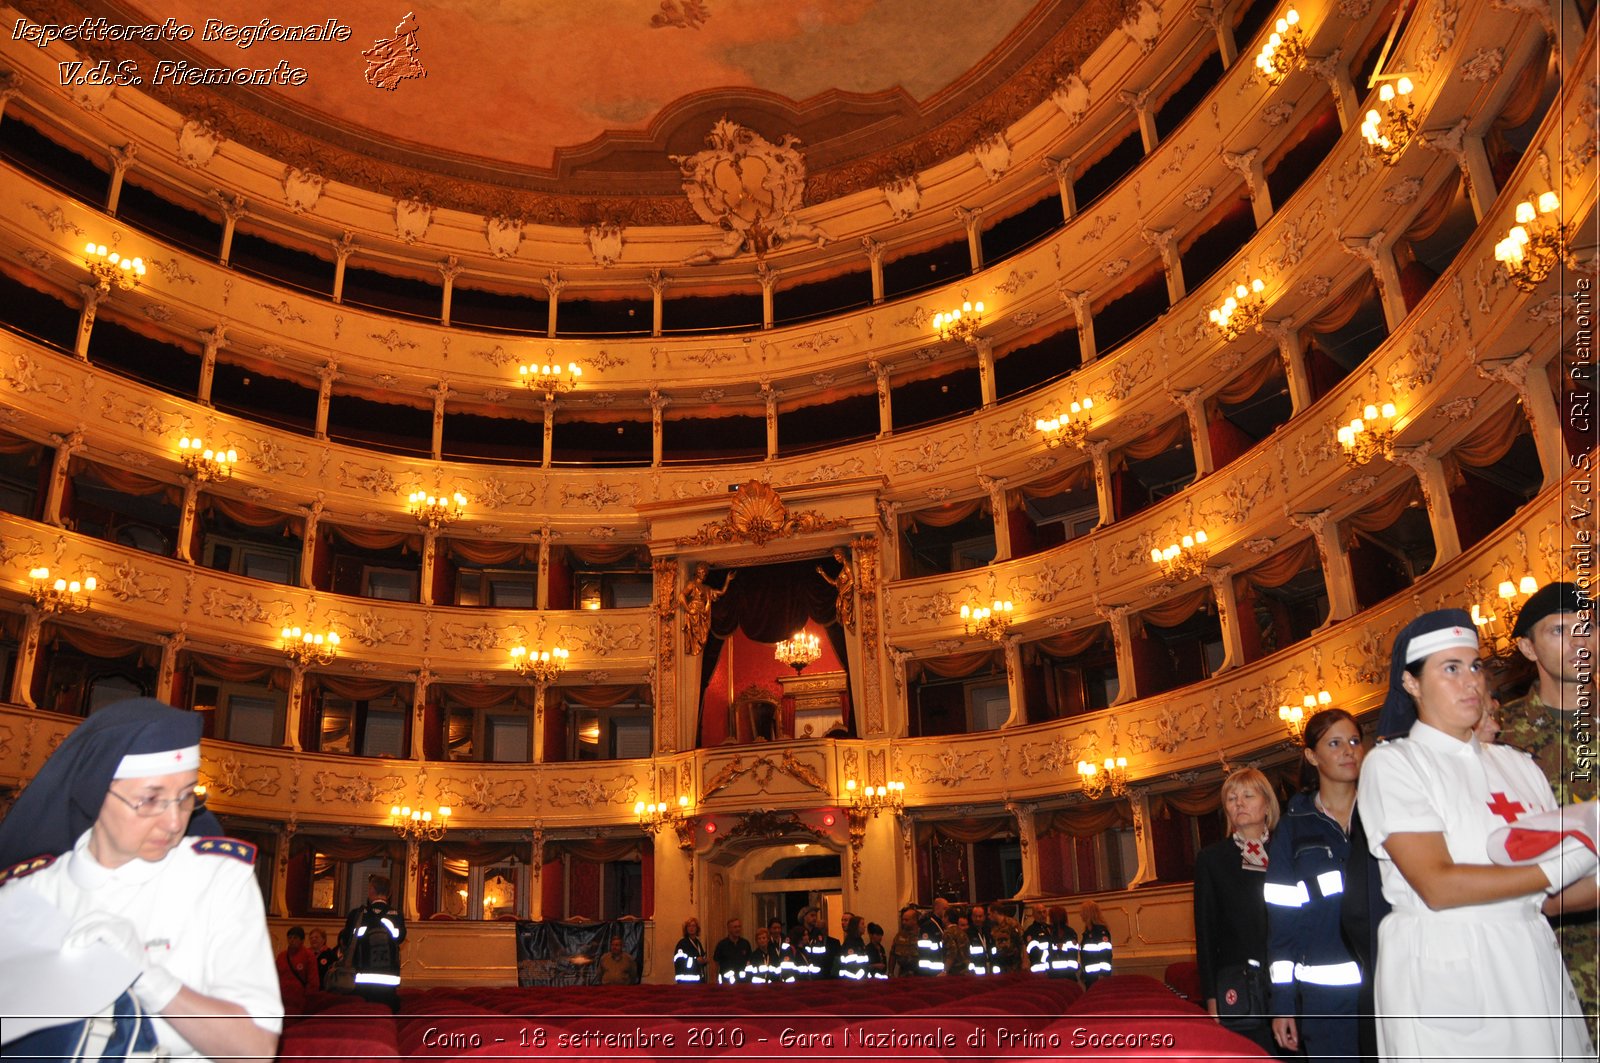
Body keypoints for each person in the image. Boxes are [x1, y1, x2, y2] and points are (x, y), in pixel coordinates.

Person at [1359, 609, 1595, 1062]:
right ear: (1411, 683)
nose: (1471, 682)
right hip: (1448, 964)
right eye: (1450, 669)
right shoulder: (1394, 765)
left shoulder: (1517, 765)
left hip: (1529, 954)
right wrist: (1557, 866)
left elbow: (1546, 898)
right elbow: (1439, 885)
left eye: (1475, 666)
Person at [0, 698, 281, 1059]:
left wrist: (150, 978)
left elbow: (255, 1050)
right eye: (150, 800)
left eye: (185, 798)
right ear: (95, 793)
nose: (175, 822)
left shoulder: (218, 880)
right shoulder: (26, 895)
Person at [1498, 581, 1600, 1033]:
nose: (1580, 643)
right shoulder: (1500, 737)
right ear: (1526, 647)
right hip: (1553, 959)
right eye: (1560, 631)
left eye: (1588, 628)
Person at [1264, 708, 1367, 1062]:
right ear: (1312, 756)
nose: (1348, 751)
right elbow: (1282, 924)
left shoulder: (1384, 810)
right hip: (1326, 1001)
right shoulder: (1293, 829)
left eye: (1354, 741)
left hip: (1391, 985)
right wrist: (1283, 1003)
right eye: (1335, 743)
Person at [1193, 767, 1279, 1054]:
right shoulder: (1212, 859)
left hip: (1291, 982)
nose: (1239, 803)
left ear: (1267, 804)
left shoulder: (1287, 849)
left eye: (1247, 795)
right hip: (1241, 987)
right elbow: (1206, 935)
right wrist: (1211, 998)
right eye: (1231, 798)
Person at [342, 874, 405, 1011]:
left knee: (364, 1017)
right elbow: (400, 939)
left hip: (362, 977)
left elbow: (346, 940)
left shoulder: (357, 914)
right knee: (386, 1015)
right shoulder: (397, 915)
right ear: (389, 893)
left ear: (371, 891)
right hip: (389, 979)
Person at [680, 562, 733, 656]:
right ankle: (693, 646)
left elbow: (721, 592)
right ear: (698, 572)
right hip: (694, 613)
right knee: (694, 635)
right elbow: (681, 596)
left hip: (703, 614)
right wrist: (688, 609)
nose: (704, 574)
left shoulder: (706, 588)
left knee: (703, 638)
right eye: (702, 571)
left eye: (705, 573)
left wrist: (727, 581)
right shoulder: (692, 584)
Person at [816, 547, 855, 629]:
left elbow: (852, 581)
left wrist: (842, 592)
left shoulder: (848, 566)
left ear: (842, 555)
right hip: (844, 597)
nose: (836, 559)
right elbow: (834, 583)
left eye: (837, 556)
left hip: (847, 596)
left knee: (846, 617)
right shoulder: (843, 569)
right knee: (844, 617)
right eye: (835, 557)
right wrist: (822, 573)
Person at [1077, 899, 1113, 986]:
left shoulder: (1100, 932)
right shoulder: (1087, 932)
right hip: (1089, 976)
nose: (1080, 914)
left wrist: (1103, 974)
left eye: (1082, 912)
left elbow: (1105, 954)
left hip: (1098, 976)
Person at [276, 925, 320, 993]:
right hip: (283, 997)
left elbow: (313, 981)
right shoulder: (281, 956)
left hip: (301, 998)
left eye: (295, 938)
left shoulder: (309, 956)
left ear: (302, 940)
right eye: (289, 938)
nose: (292, 940)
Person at [712, 916, 752, 984]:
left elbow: (749, 962)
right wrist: (715, 980)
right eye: (735, 927)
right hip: (726, 983)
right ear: (729, 929)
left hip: (743, 983)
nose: (738, 929)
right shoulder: (722, 945)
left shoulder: (745, 943)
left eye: (739, 926)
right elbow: (716, 963)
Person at [916, 897, 950, 974]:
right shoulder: (928, 926)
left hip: (941, 968)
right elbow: (924, 950)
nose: (946, 912)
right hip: (930, 970)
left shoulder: (943, 924)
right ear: (936, 908)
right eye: (945, 909)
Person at [1046, 904, 1080, 980]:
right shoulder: (1050, 933)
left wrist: (1062, 947)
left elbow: (1074, 952)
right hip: (1054, 974)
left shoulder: (1070, 932)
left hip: (1068, 973)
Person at [672, 916, 708, 983]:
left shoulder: (698, 943)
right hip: (685, 980)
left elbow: (702, 957)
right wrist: (695, 960)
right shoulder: (682, 943)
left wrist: (704, 961)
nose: (691, 928)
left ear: (697, 928)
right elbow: (679, 960)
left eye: (693, 926)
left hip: (698, 980)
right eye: (689, 926)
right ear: (686, 929)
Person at [965, 903, 997, 976]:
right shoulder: (968, 934)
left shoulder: (989, 931)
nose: (978, 919)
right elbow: (966, 955)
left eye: (980, 916)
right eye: (975, 916)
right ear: (972, 917)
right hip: (976, 973)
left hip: (991, 970)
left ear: (984, 917)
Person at [891, 905, 921, 976]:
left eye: (906, 920)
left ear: (914, 920)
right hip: (903, 973)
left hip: (918, 974)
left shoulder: (921, 935)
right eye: (903, 920)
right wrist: (890, 972)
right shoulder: (899, 936)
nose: (904, 922)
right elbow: (893, 955)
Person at [1022, 903, 1053, 974]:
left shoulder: (1051, 929)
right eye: (1039, 913)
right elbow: (1026, 952)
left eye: (1044, 912)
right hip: (1038, 970)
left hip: (1051, 970)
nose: (1042, 915)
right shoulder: (1030, 931)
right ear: (1033, 915)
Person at [838, 914, 870, 979]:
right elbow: (851, 964)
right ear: (856, 926)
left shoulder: (860, 940)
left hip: (862, 976)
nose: (864, 926)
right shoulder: (850, 942)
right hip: (853, 978)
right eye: (862, 924)